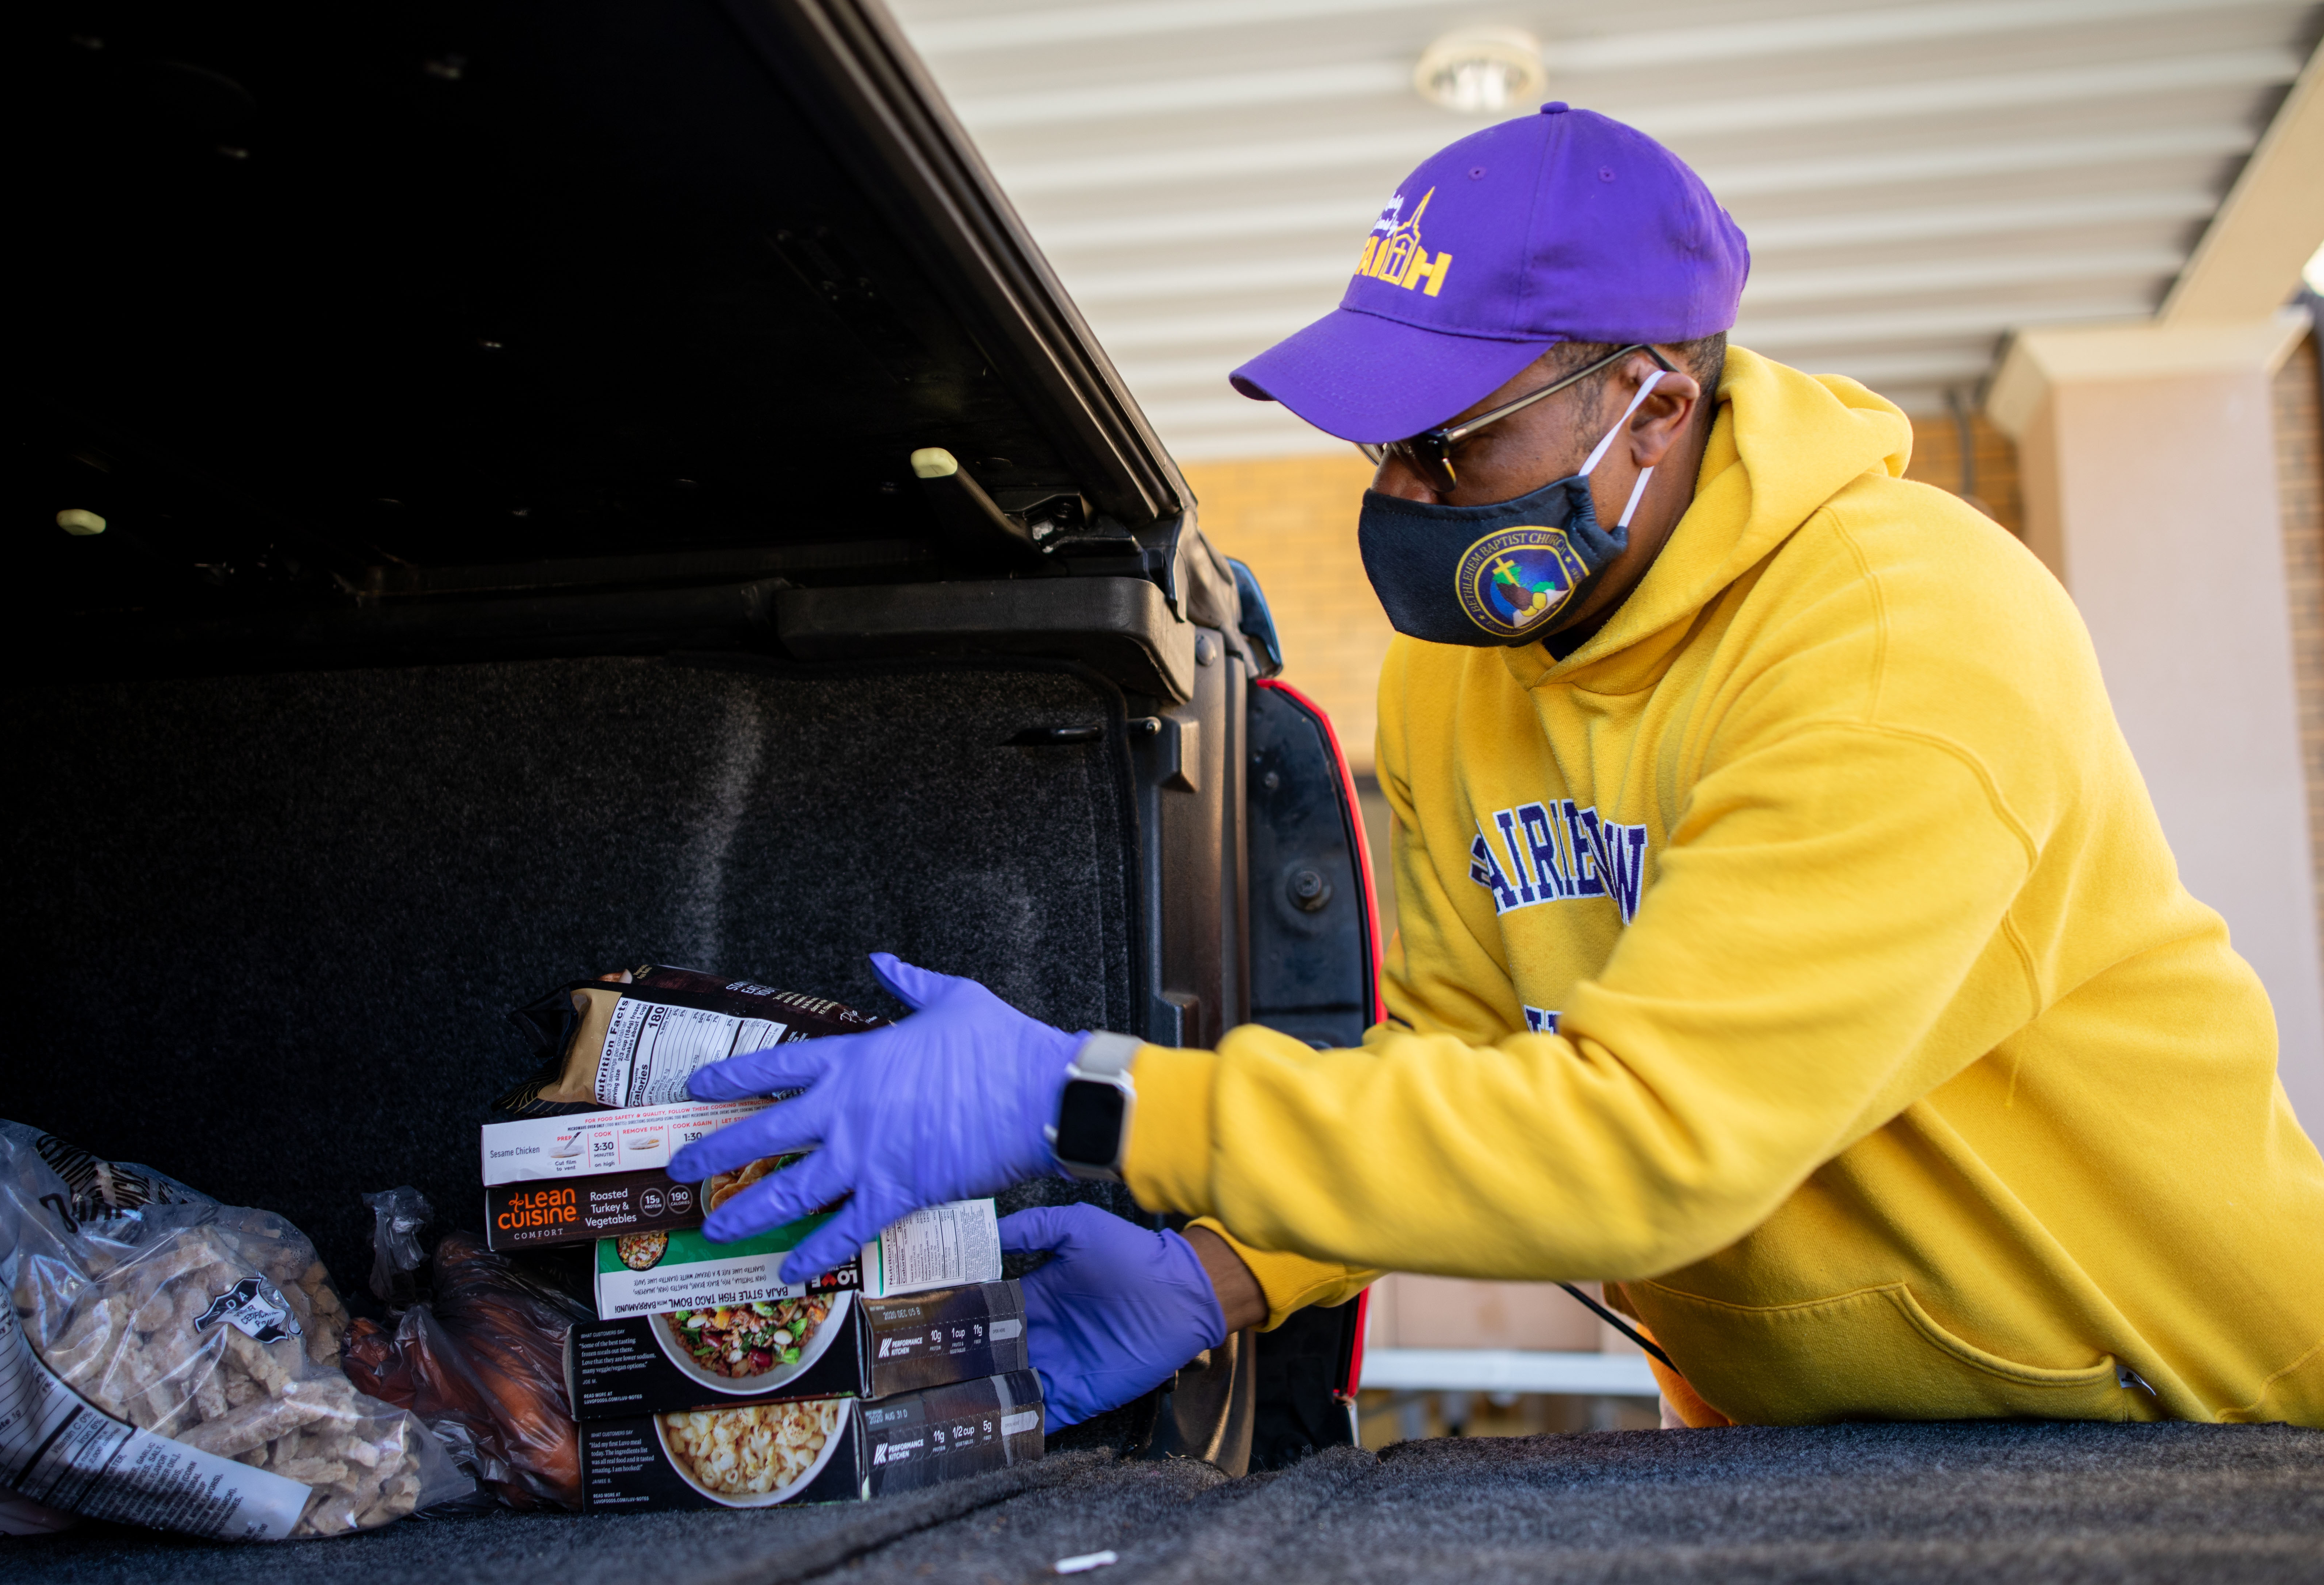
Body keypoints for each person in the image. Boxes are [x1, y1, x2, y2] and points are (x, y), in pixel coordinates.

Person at [669, 105, 2324, 1432]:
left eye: (1455, 438)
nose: (1404, 486)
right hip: (1819, 1444)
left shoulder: (1901, 633)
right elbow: (1461, 1049)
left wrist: (1082, 1094)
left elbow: (1646, 1144)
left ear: (1654, 407)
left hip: (2187, 1418)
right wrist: (1229, 1267)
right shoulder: (1467, 675)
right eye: (1386, 439)